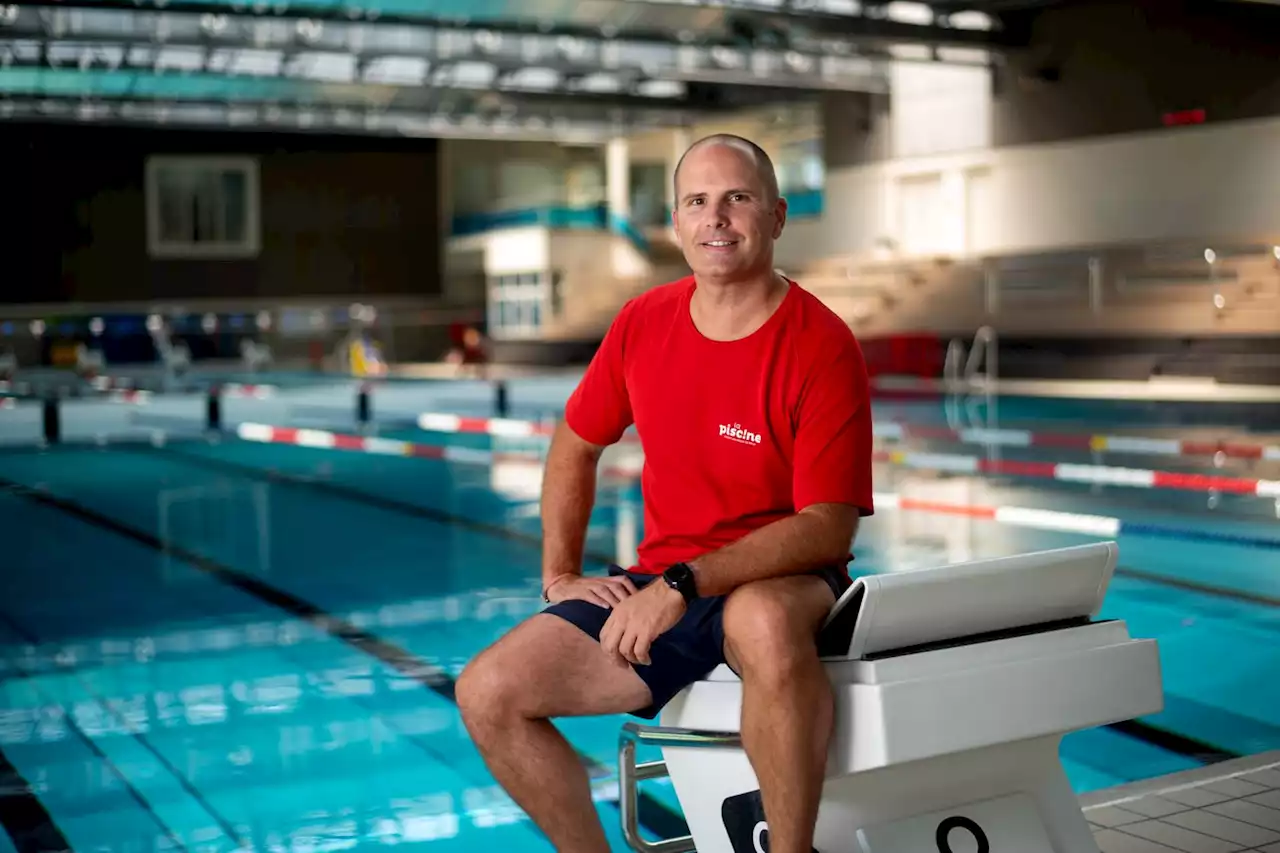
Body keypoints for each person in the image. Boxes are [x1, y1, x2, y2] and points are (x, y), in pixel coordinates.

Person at [456, 134, 874, 853]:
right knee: (487, 691)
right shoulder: (643, 323)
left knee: (764, 622)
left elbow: (827, 527)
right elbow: (575, 444)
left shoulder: (821, 344)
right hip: (663, 583)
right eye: (697, 202)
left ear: (775, 217)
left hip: (783, 578)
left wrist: (683, 581)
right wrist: (560, 574)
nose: (716, 217)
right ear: (677, 225)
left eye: (737, 198)